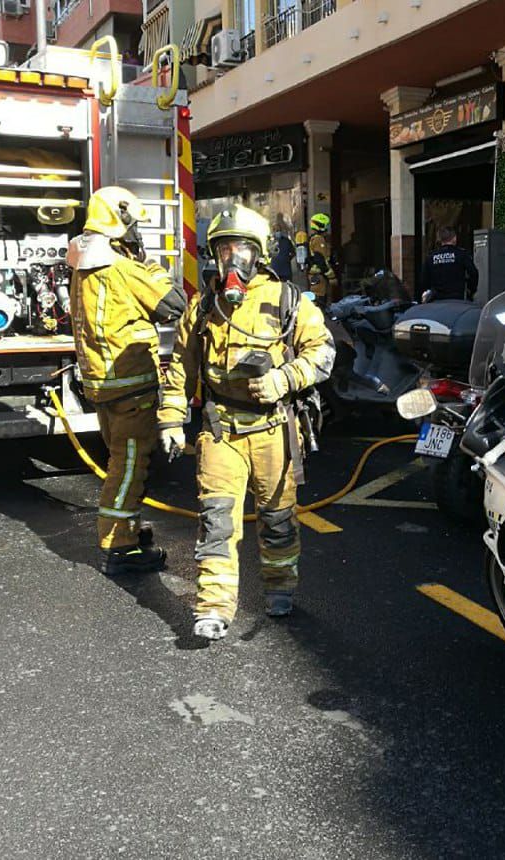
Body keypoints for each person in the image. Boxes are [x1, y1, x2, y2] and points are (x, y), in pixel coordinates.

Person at [158, 204, 335, 642]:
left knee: (278, 518)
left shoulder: (288, 301)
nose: (230, 258)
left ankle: (280, 588)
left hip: (274, 428)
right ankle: (214, 607)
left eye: (240, 248)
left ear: (258, 254)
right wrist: (171, 420)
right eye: (222, 249)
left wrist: (284, 378)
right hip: (221, 431)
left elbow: (324, 354)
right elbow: (180, 366)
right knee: (216, 520)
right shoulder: (202, 308)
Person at [67, 186, 188, 575]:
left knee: (120, 460)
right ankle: (121, 548)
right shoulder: (124, 269)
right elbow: (173, 305)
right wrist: (151, 267)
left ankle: (129, 530)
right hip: (131, 386)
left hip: (102, 385)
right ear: (120, 222)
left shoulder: (82, 266)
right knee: (130, 465)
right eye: (133, 226)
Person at [419, 226, 478, 302]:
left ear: (440, 239)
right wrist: (471, 291)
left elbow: (424, 280)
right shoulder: (461, 254)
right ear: (454, 238)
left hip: (436, 300)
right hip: (457, 299)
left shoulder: (431, 257)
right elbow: (473, 273)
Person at [300, 212, 338, 302]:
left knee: (317, 297)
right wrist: (331, 276)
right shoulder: (318, 239)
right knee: (319, 299)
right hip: (319, 275)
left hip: (316, 275)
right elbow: (320, 259)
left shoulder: (313, 238)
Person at [268, 216, 296, 284]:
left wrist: (287, 259)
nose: (277, 232)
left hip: (285, 271)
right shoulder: (270, 241)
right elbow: (267, 254)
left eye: (278, 230)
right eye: (275, 230)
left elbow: (293, 252)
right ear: (272, 231)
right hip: (274, 270)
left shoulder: (286, 241)